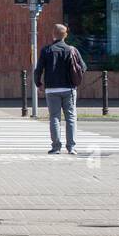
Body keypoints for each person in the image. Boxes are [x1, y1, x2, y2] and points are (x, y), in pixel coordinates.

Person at [34, 23, 86, 154]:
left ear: (53, 35)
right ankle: (71, 147)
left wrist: (38, 84)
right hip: (69, 89)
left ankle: (56, 147)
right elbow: (83, 67)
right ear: (66, 35)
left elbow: (38, 69)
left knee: (54, 118)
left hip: (51, 90)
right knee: (71, 117)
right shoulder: (72, 50)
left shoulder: (46, 50)